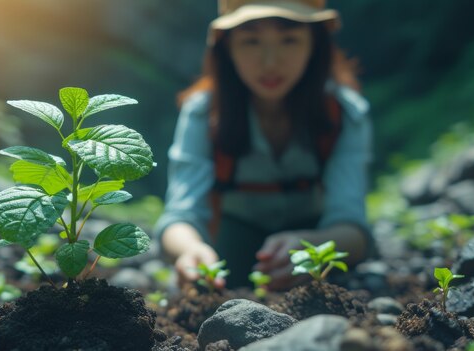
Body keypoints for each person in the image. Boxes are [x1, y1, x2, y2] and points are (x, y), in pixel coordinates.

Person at [154, 0, 374, 290]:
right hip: (233, 239)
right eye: (251, 41)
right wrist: (190, 251)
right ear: (227, 48)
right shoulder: (203, 113)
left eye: (289, 40)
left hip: (316, 232)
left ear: (315, 44)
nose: (270, 62)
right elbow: (180, 215)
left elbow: (352, 225)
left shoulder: (345, 114)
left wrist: (315, 248)